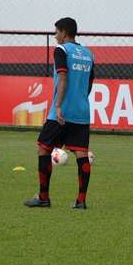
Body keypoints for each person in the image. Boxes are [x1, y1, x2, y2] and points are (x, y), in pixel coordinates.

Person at [24, 17, 95, 210]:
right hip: (82, 111)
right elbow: (89, 85)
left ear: (64, 32)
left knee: (43, 148)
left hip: (62, 111)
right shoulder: (89, 54)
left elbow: (63, 77)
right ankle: (81, 201)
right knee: (81, 154)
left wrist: (58, 105)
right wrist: (79, 101)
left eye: (56, 32)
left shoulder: (61, 50)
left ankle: (43, 197)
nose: (55, 36)